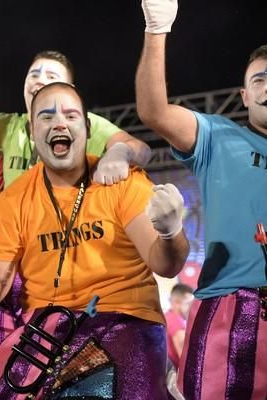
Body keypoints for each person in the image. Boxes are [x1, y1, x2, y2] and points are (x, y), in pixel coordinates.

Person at [0, 82, 190, 399]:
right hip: (46, 327)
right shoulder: (15, 199)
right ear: (33, 133)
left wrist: (171, 233)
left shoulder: (122, 180)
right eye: (46, 117)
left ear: (87, 129)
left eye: (70, 115)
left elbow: (165, 264)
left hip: (124, 321)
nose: (59, 122)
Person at [0, 50, 153, 360]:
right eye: (34, 74)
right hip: (9, 252)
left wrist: (121, 153)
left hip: (62, 260)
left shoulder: (84, 123)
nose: (40, 81)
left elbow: (140, 148)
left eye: (52, 77)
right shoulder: (8, 124)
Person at [136, 1, 267, 398]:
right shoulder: (218, 136)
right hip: (231, 311)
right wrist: (157, 29)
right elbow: (153, 110)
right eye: (260, 80)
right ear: (244, 96)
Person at [165, 283, 193, 370]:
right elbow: (185, 357)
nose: (191, 307)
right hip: (175, 376)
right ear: (177, 302)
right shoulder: (176, 321)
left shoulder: (167, 317)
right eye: (188, 303)